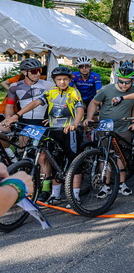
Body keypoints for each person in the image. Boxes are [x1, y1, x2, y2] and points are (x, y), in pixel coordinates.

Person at [4, 66, 85, 204]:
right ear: (54, 80)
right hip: (53, 131)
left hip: (69, 131)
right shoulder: (51, 92)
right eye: (59, 79)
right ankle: (56, 195)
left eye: (65, 79)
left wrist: (75, 123)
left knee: (74, 163)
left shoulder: (73, 92)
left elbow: (80, 108)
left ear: (70, 80)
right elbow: (35, 103)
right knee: (54, 162)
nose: (62, 82)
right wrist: (17, 115)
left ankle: (75, 196)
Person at [83, 63, 134, 197]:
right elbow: (94, 102)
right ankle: (105, 185)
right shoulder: (107, 89)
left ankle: (122, 184)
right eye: (121, 82)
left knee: (121, 156)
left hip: (124, 127)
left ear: (132, 81)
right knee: (106, 156)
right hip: (106, 127)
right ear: (117, 79)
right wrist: (90, 117)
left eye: (127, 82)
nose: (124, 85)